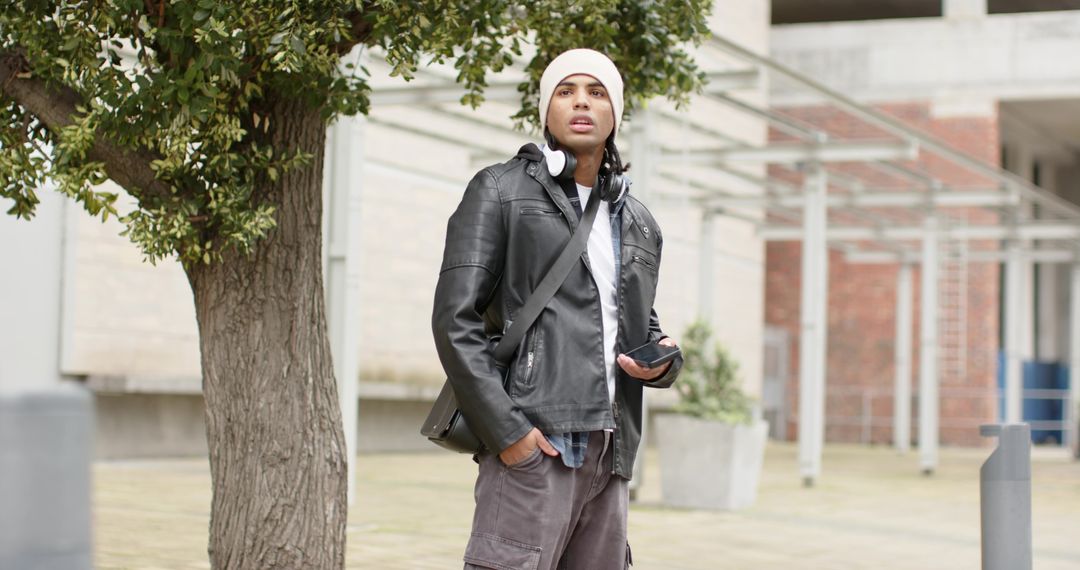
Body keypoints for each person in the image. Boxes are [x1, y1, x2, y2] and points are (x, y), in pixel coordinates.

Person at [431, 48, 681, 570]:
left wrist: (662, 361)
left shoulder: (638, 220)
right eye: (565, 92)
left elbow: (640, 326)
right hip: (536, 439)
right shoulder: (498, 190)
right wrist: (509, 434)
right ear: (547, 111)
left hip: (611, 451)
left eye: (596, 92)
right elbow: (456, 321)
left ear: (615, 113)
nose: (581, 103)